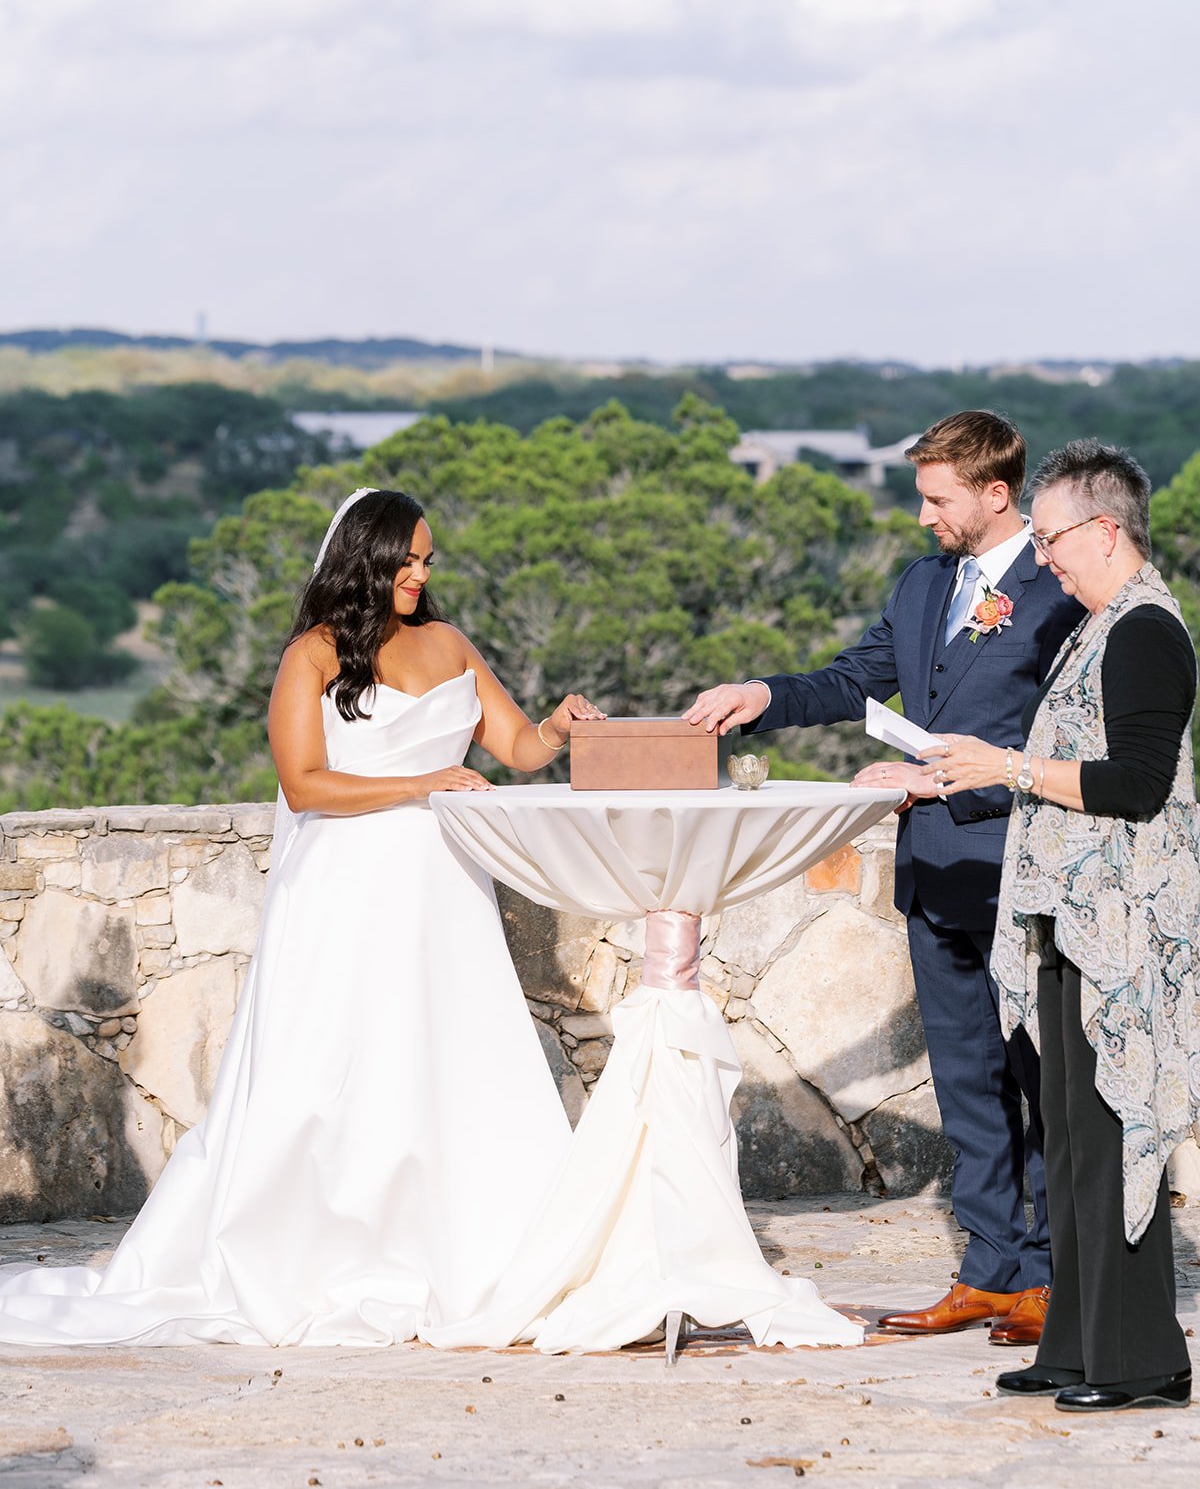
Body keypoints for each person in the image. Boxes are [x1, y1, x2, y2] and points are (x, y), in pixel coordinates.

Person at [0, 487, 604, 1345]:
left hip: (443, 892)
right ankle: (312, 1246)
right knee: (335, 1061)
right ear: (367, 556)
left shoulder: (450, 643)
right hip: (345, 889)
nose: (421, 573)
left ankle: (457, 1245)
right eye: (407, 559)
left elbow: (517, 749)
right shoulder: (313, 656)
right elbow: (304, 785)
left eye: (429, 559)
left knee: (442, 1054)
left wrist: (558, 724)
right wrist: (422, 784)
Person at [683, 411, 1084, 1344]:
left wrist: (942, 776)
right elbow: (857, 680)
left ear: (996, 494)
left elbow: (1065, 743)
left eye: (937, 500)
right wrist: (763, 698)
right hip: (935, 880)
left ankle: (1057, 1279)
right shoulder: (924, 583)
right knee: (968, 1085)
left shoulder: (1059, 588)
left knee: (1040, 1083)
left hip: (1021, 874)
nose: (921, 518)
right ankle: (990, 1272)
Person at [930, 441, 1198, 1411]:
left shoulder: (1146, 631)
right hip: (1075, 925)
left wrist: (1002, 765)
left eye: (1048, 539)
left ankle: (1139, 1360)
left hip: (1121, 934)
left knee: (1115, 1134)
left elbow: (1135, 784)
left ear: (1104, 529)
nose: (1041, 558)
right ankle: (1079, 1345)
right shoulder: (1099, 627)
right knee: (1074, 1138)